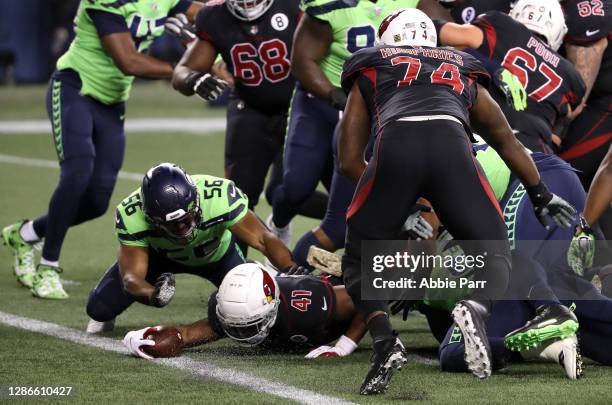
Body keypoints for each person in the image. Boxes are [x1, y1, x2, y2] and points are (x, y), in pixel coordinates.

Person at [338, 8, 576, 394]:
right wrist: (541, 193)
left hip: (396, 145)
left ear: (389, 41)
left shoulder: (372, 66)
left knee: (357, 258)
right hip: (454, 149)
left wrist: (404, 206)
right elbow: (506, 140)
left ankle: (384, 342)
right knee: (496, 250)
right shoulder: (461, 66)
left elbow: (349, 160)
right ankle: (478, 307)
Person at [1, 0, 203, 299]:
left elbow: (208, 15)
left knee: (96, 201)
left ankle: (25, 234)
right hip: (75, 87)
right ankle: (48, 267)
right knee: (77, 172)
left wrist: (208, 39)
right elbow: (128, 61)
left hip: (111, 102)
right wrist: (185, 70)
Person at [266, 0, 452, 250]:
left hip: (378, 106)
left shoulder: (416, 3)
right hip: (323, 102)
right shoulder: (330, 5)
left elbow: (449, 38)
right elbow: (302, 61)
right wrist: (336, 95)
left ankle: (349, 268)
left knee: (345, 217)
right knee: (296, 189)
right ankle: (278, 225)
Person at [171, 0, 327, 245]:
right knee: (238, 199)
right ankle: (236, 272)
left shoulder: (294, 7)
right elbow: (183, 70)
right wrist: (193, 79)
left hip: (300, 106)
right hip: (249, 108)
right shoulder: (214, 16)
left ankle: (336, 224)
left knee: (287, 191)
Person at [85, 163, 304, 333]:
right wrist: (153, 295)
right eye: (173, 224)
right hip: (160, 257)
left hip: (218, 257)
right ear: (153, 219)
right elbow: (132, 278)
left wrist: (289, 267)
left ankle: (249, 272)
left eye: (186, 219)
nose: (182, 229)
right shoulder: (132, 216)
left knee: (256, 312)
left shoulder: (218, 197)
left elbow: (264, 239)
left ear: (196, 203)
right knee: (99, 309)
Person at [122, 262, 366, 359]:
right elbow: (186, 335)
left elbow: (371, 291)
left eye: (250, 324)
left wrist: (343, 347)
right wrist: (147, 338)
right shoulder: (233, 308)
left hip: (339, 284)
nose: (242, 333)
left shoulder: (306, 305)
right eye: (235, 326)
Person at [435, 0, 586, 154]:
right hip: (534, 152)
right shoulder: (570, 75)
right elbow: (562, 126)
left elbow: (438, 32)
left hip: (478, 133)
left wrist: (486, 63)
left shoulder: (501, 25)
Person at [559, 0, 611, 191]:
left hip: (603, 105)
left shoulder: (585, 13)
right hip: (597, 98)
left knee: (558, 175)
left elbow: (576, 99)